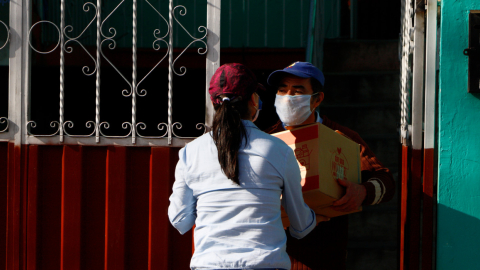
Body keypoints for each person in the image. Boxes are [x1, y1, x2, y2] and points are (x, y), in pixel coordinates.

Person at [168, 63, 327, 270]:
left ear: (214, 102)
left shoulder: (191, 152)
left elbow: (180, 220)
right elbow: (300, 225)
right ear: (254, 100)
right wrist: (319, 216)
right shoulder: (279, 150)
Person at [265, 61, 396, 270]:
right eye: (282, 90)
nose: (288, 98)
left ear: (317, 99)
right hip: (275, 256)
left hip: (323, 256)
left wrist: (363, 191)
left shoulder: (341, 138)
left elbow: (386, 181)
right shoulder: (266, 139)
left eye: (298, 92)